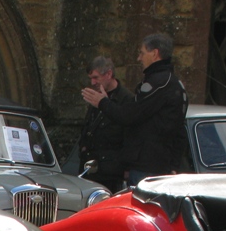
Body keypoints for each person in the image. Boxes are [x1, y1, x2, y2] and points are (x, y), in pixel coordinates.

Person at [82, 33, 188, 187]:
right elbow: (180, 131)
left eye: (142, 53)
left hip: (148, 166)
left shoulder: (158, 84)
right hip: (158, 165)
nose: (139, 58)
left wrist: (102, 103)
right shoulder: (174, 83)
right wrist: (174, 165)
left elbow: (129, 116)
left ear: (155, 53)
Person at [77, 55, 133, 192]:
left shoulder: (127, 99)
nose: (93, 82)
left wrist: (126, 167)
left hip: (111, 172)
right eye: (91, 78)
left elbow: (129, 135)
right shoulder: (96, 95)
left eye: (96, 77)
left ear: (109, 74)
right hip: (91, 168)